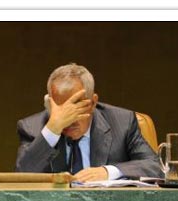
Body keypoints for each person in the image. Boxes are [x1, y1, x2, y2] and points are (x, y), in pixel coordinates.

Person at [15, 63, 162, 182]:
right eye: (61, 109)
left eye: (77, 108)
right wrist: (52, 129)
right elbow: (21, 175)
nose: (68, 119)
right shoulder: (32, 127)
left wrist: (108, 172)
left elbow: (155, 166)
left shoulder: (123, 122)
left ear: (93, 103)